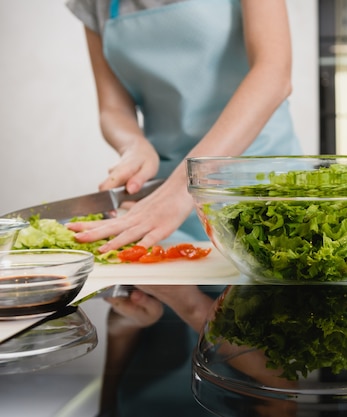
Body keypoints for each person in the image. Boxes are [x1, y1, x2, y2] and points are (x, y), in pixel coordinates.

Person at [64, 0, 302, 415]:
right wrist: (133, 144)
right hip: (163, 206)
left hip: (260, 202)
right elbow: (113, 108)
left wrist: (186, 191)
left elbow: (273, 75)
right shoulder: (93, 4)